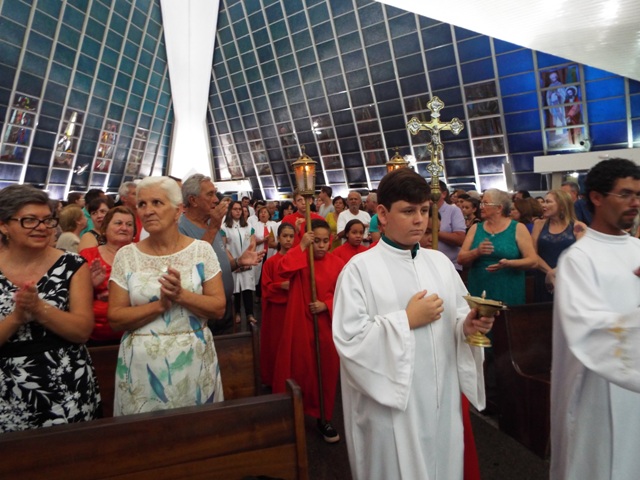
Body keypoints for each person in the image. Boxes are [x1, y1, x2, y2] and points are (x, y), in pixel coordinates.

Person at [332, 168, 494, 479]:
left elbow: (458, 316)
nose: (419, 220)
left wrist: (467, 326)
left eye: (423, 210)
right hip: (393, 407)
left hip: (441, 398)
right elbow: (350, 341)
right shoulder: (359, 270)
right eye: (408, 211)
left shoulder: (440, 263)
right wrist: (406, 320)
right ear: (382, 214)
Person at [551, 158, 640, 480]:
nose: (635, 203)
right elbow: (589, 331)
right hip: (595, 389)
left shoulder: (637, 248)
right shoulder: (578, 259)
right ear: (597, 197)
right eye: (625, 194)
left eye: (638, 195)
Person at [107, 176, 226, 415]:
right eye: (142, 204)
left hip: (193, 361)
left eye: (157, 203)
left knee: (198, 429)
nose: (148, 211)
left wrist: (181, 295)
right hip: (142, 368)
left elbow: (218, 308)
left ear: (177, 210)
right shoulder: (127, 256)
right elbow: (116, 318)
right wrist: (159, 306)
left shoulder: (201, 251)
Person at [0, 185, 100, 431]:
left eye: (47, 220)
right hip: (6, 387)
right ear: (3, 225)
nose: (42, 227)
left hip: (64, 384)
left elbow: (82, 331)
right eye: (29, 220)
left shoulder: (72, 265)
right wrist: (17, 317)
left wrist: (39, 308)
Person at [272, 219, 345, 443]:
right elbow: (282, 269)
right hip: (301, 325)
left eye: (325, 241)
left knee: (326, 372)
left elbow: (345, 295)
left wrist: (326, 305)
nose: (321, 246)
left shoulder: (338, 263)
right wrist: (301, 246)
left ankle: (324, 417)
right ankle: (294, 412)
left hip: (326, 325)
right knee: (301, 369)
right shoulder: (302, 259)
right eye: (316, 241)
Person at [178, 174, 263, 335]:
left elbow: (216, 267)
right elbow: (191, 268)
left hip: (225, 308)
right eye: (210, 194)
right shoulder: (180, 228)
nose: (216, 200)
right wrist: (213, 228)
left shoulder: (211, 223)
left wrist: (238, 262)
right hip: (201, 314)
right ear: (193, 200)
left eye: (215, 193)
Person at [458, 188, 538, 306]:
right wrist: (476, 252)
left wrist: (509, 263)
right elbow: (460, 259)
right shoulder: (475, 228)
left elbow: (533, 261)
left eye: (485, 203)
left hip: (508, 288)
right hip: (479, 287)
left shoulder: (518, 228)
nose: (481, 207)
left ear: (499, 208)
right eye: (481, 203)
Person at [80, 206, 136, 345]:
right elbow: (73, 298)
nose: (124, 228)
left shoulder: (142, 256)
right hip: (94, 337)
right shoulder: (88, 255)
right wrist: (90, 286)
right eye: (118, 223)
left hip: (134, 333)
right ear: (104, 229)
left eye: (129, 224)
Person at [531, 189, 585, 302]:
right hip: (543, 278)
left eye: (548, 202)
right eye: (544, 201)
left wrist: (555, 272)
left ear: (562, 206)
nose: (543, 205)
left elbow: (581, 256)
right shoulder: (539, 224)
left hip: (570, 279)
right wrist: (550, 272)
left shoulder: (578, 226)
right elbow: (532, 253)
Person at [259, 222, 295, 387]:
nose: (288, 240)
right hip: (276, 312)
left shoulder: (298, 261)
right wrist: (281, 286)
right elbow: (266, 289)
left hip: (293, 310)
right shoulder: (271, 263)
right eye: (285, 236)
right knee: (276, 344)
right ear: (278, 238)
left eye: (291, 236)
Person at [221, 200, 257, 325]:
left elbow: (253, 243)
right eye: (235, 209)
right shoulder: (225, 227)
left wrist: (248, 258)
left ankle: (250, 314)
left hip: (247, 263)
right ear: (230, 211)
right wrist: (234, 262)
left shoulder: (248, 226)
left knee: (247, 289)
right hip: (234, 263)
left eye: (240, 209)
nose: (238, 211)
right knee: (235, 289)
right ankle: (236, 313)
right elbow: (223, 246)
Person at [436, 180, 466, 271]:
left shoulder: (453, 211)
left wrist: (434, 232)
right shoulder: (422, 211)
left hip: (451, 265)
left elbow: (460, 239)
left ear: (444, 194)